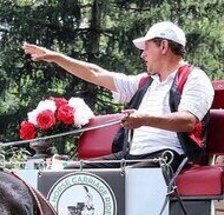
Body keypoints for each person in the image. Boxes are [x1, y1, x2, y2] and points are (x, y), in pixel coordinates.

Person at [23, 21, 214, 166]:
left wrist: (144, 119)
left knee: (120, 175)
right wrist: (56, 57)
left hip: (169, 158)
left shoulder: (195, 78)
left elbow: (188, 122)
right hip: (131, 157)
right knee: (73, 171)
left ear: (163, 47)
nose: (142, 55)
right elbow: (95, 73)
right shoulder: (144, 82)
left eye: (147, 48)